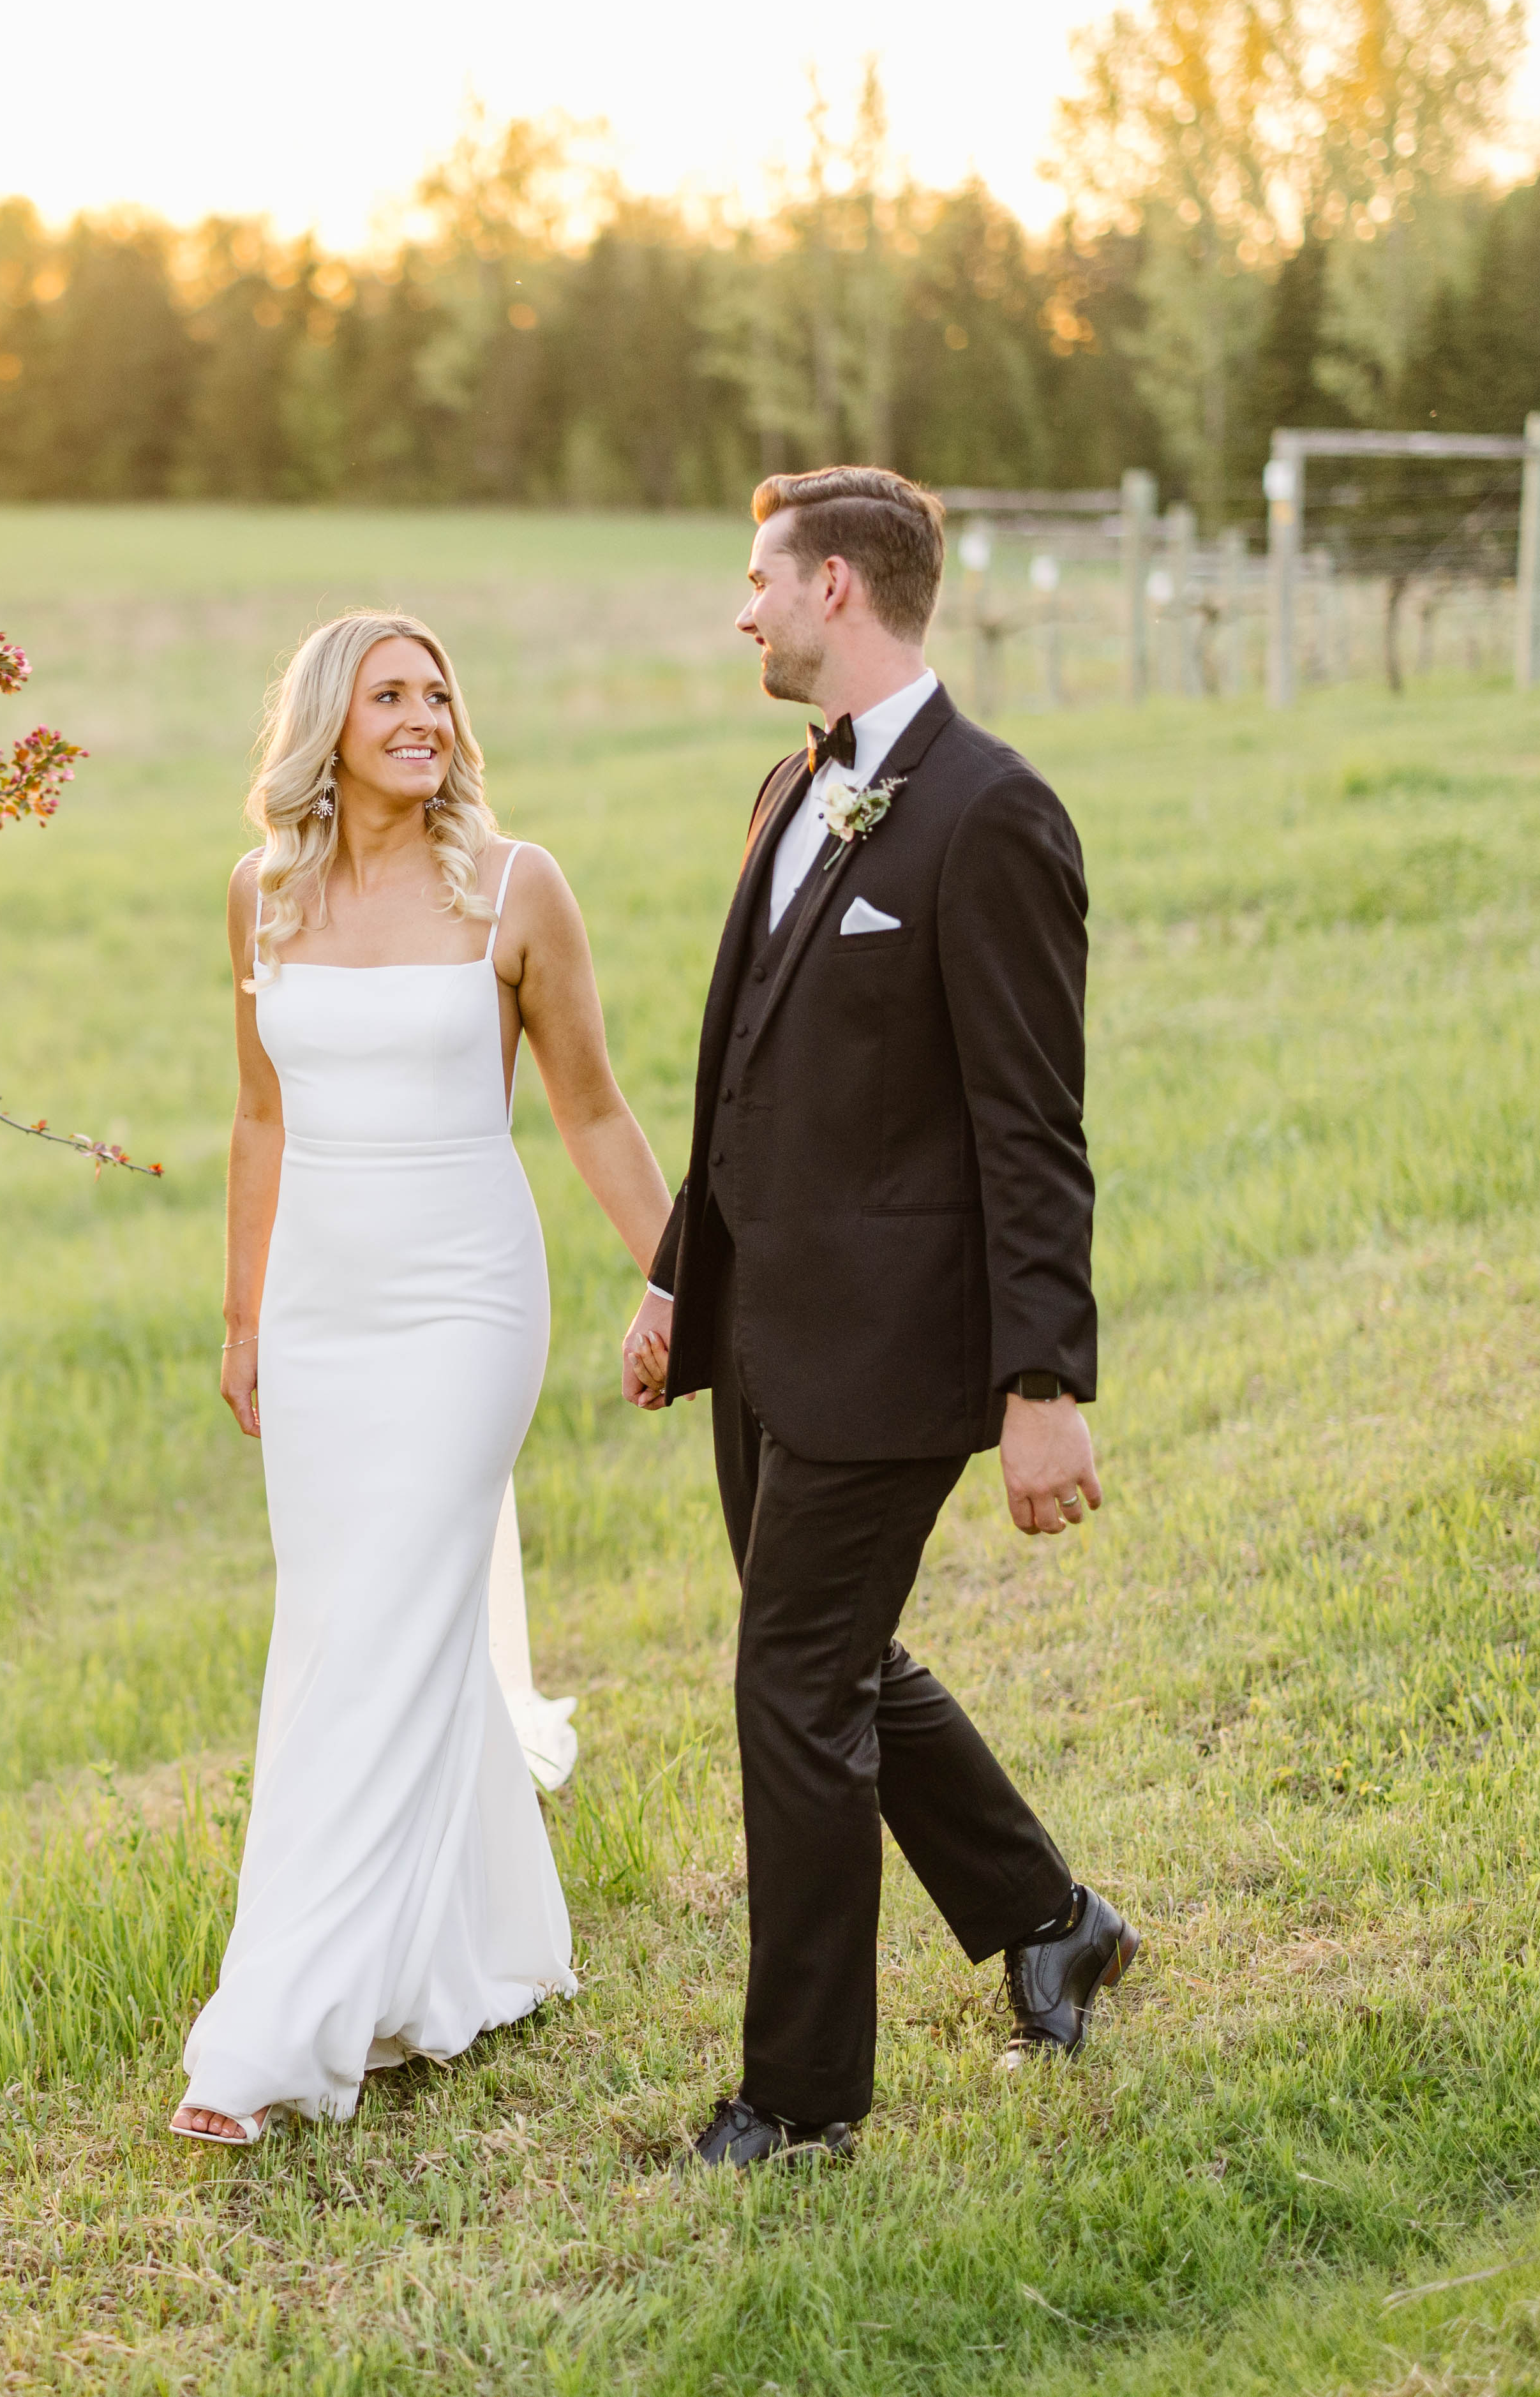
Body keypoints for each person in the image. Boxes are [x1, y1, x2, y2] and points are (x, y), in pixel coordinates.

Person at [620, 467, 1135, 2169]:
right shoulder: (794, 786)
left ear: (834, 586)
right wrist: (680, 1278)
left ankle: (802, 2100)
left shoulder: (995, 814)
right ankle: (1052, 1918)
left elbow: (1030, 1125)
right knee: (828, 1659)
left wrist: (1041, 1380)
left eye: (758, 578)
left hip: (892, 1350)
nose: (743, 610)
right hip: (764, 1336)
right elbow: (746, 1076)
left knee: (791, 1683)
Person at [176, 612, 676, 2146]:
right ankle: (466, 1949)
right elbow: (260, 1120)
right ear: (326, 724)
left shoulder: (517, 887)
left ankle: (277, 2026)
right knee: (348, 1624)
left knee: (388, 1619)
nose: (423, 717)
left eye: (439, 694)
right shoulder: (261, 894)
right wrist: (245, 1318)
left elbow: (592, 1111)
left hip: (468, 1304)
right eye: (389, 694)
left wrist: (686, 1279)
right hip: (319, 1315)